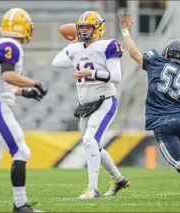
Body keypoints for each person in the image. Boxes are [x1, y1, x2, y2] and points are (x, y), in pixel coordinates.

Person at [119, 12, 180, 200]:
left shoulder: (156, 62)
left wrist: (125, 31)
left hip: (163, 122)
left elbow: (135, 54)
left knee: (178, 163)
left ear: (167, 52)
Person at [52, 11, 130, 199]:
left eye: (89, 27)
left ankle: (92, 189)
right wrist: (73, 43)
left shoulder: (107, 45)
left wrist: (93, 72)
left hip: (105, 100)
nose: (85, 31)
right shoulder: (76, 48)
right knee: (93, 144)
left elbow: (117, 77)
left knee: (89, 140)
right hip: (86, 104)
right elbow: (56, 62)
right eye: (82, 28)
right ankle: (118, 179)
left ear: (99, 28)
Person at [0, 8, 48, 212]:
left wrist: (24, 92)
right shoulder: (10, 45)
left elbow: (3, 83)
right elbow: (7, 76)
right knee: (21, 152)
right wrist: (34, 82)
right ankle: (20, 205)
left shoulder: (6, 44)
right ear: (23, 27)